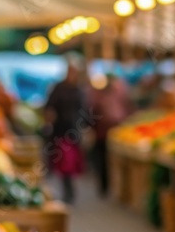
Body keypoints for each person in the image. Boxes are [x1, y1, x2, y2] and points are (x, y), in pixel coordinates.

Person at [44, 61, 86, 204]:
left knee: (70, 163)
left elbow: (84, 110)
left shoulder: (79, 90)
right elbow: (49, 107)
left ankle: (70, 191)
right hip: (60, 131)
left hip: (74, 132)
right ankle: (67, 191)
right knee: (64, 163)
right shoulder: (58, 88)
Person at [91, 75, 133, 197]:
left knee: (113, 161)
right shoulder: (98, 96)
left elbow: (128, 108)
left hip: (118, 132)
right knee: (103, 160)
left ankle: (113, 186)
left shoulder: (119, 94)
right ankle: (104, 186)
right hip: (102, 133)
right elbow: (93, 113)